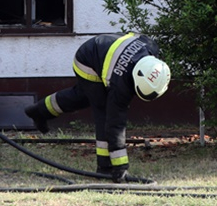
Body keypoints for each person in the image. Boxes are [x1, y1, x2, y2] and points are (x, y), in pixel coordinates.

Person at [23, 32, 170, 183]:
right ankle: (105, 167)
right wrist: (121, 167)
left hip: (102, 50)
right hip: (87, 60)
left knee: (81, 96)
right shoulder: (121, 86)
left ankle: (39, 111)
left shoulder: (150, 49)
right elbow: (115, 124)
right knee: (104, 112)